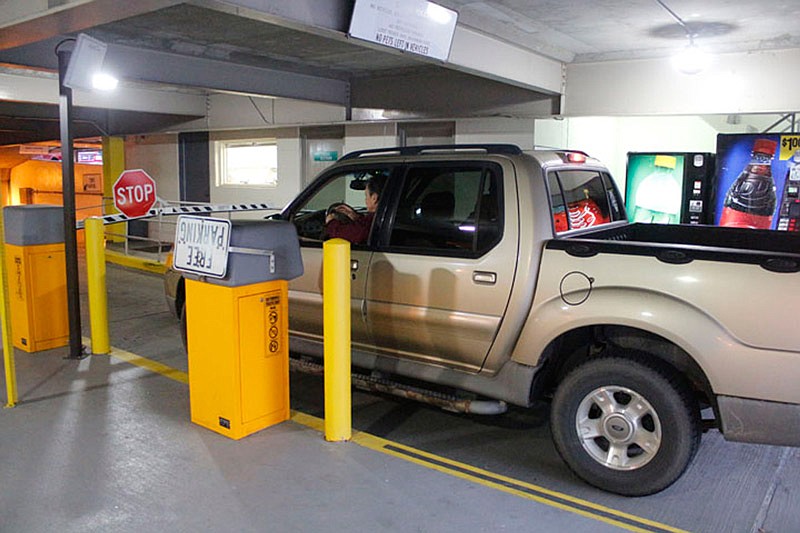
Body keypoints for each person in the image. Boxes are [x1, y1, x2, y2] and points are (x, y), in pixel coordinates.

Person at [325, 175, 385, 244]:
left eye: (366, 196)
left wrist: (331, 222)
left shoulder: (375, 220)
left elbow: (350, 236)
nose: (365, 200)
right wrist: (356, 217)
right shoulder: (383, 216)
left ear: (374, 198)